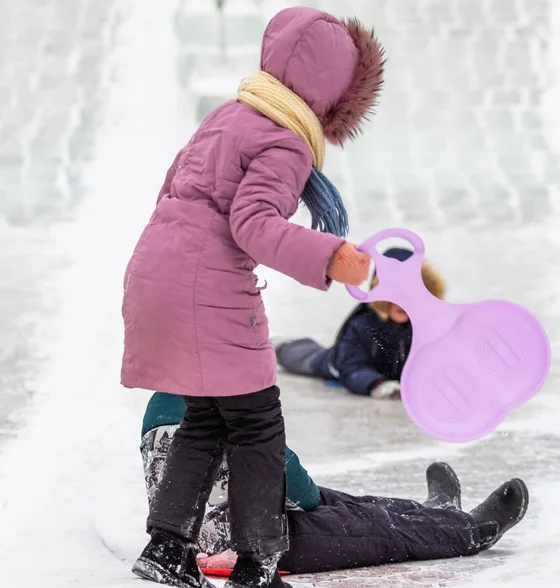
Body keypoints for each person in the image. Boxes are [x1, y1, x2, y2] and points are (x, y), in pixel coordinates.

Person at [120, 6, 385, 588]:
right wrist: (331, 256)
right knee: (257, 424)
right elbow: (253, 224)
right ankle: (257, 563)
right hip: (206, 291)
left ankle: (165, 549)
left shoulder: (227, 116)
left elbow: (171, 189)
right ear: (334, 98)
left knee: (206, 420)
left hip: (154, 272)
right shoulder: (286, 143)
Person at [141, 392, 530, 575]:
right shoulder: (233, 399)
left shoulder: (163, 403)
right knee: (371, 527)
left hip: (196, 531)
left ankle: (434, 512)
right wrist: (317, 504)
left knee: (342, 502)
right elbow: (290, 478)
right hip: (254, 541)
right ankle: (469, 530)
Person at [276, 247, 446, 398]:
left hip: (393, 372)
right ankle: (281, 348)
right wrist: (375, 383)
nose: (403, 303)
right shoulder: (362, 324)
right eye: (396, 295)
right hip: (341, 362)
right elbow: (352, 366)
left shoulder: (426, 327)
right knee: (311, 359)